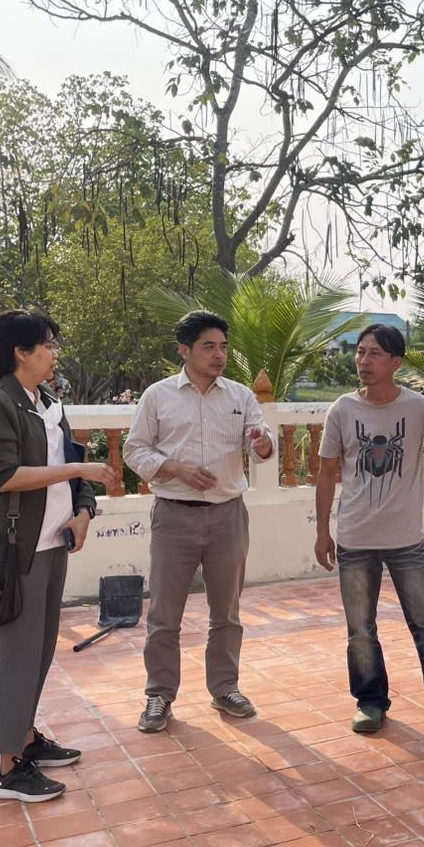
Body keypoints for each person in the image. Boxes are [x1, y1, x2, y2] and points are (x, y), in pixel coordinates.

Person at [0, 311, 115, 802]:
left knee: (40, 649)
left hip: (54, 542)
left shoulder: (46, 402)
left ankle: (25, 738)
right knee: (14, 656)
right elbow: (5, 475)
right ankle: (8, 769)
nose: (54, 353)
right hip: (15, 549)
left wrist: (83, 511)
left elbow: (68, 469)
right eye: (46, 345)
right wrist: (80, 468)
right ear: (20, 353)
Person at [313, 323, 424, 739]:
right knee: (360, 630)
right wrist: (322, 532)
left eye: (374, 354)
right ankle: (370, 702)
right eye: (360, 352)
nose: (363, 361)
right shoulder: (343, 410)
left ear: (396, 362)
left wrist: (420, 488)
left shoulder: (419, 407)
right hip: (354, 538)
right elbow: (328, 471)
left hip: (406, 540)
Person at [124, 310, 276, 733]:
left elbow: (264, 442)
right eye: (209, 346)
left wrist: (263, 443)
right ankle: (159, 695)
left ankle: (225, 688)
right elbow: (135, 451)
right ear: (185, 350)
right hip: (174, 516)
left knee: (227, 612)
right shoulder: (157, 396)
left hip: (228, 515)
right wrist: (176, 469)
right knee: (164, 614)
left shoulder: (240, 396)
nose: (219, 355)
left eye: (224, 346)